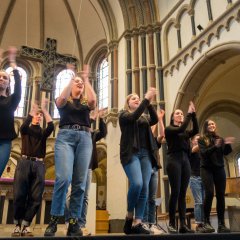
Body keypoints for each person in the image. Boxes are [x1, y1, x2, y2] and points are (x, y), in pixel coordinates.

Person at [44, 65, 96, 237]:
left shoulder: (85, 106)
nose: (79, 83)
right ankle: (54, 219)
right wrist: (71, 79)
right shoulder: (64, 102)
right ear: (71, 85)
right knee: (63, 178)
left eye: (80, 82)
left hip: (85, 138)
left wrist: (86, 79)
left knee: (80, 184)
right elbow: (58, 101)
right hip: (65, 137)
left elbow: (93, 101)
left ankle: (74, 222)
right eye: (77, 82)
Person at [119, 88, 159, 235]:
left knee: (145, 189)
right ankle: (129, 215)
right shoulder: (124, 115)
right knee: (137, 183)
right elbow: (133, 117)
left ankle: (138, 222)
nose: (136, 99)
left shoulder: (144, 118)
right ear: (128, 103)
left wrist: (149, 104)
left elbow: (154, 119)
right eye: (133, 98)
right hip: (131, 154)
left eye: (138, 98)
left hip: (146, 154)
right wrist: (146, 99)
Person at [11, 99, 54, 237]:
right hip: (24, 162)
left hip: (39, 164)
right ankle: (17, 225)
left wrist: (45, 111)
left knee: (36, 196)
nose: (38, 116)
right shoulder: (26, 130)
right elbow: (22, 127)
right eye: (37, 114)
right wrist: (32, 111)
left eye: (40, 115)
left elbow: (51, 127)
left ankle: (26, 224)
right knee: (19, 194)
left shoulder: (43, 133)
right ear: (32, 116)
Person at [65, 108, 107, 235]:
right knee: (70, 196)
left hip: (88, 168)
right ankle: (69, 221)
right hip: (75, 167)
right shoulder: (75, 132)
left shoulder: (92, 134)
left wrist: (102, 118)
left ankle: (81, 224)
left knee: (85, 197)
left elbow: (103, 132)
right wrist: (92, 117)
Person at [164, 101, 198, 234]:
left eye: (182, 114)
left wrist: (193, 115)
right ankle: (172, 223)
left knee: (183, 194)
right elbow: (180, 129)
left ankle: (183, 224)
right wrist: (189, 114)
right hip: (174, 160)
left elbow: (195, 130)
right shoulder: (170, 129)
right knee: (176, 191)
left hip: (185, 161)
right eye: (178, 113)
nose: (180, 115)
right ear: (173, 117)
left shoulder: (184, 132)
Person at [198, 119, 234, 233]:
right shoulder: (202, 139)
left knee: (220, 195)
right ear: (206, 127)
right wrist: (215, 146)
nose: (212, 125)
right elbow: (204, 153)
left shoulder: (220, 139)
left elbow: (226, 152)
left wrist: (227, 144)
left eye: (213, 124)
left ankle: (221, 224)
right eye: (209, 124)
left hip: (219, 169)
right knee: (209, 194)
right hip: (207, 169)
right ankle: (206, 222)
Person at [143, 109, 165, 234]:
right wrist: (154, 121)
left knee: (152, 197)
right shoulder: (143, 140)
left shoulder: (155, 141)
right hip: (145, 168)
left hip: (154, 169)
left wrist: (160, 119)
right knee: (144, 196)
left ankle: (151, 223)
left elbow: (162, 135)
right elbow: (149, 131)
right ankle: (144, 222)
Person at [0, 47, 21, 176]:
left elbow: (18, 88)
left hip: (4, 142)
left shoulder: (12, 100)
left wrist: (13, 65)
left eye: (5, 78)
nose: (1, 79)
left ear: (8, 84)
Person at [189, 134, 211, 233]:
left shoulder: (203, 152)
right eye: (197, 140)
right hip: (195, 178)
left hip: (205, 178)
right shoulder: (191, 149)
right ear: (192, 141)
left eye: (200, 140)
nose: (199, 141)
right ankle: (199, 223)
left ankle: (205, 222)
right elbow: (195, 149)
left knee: (205, 202)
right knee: (199, 202)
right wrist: (207, 141)